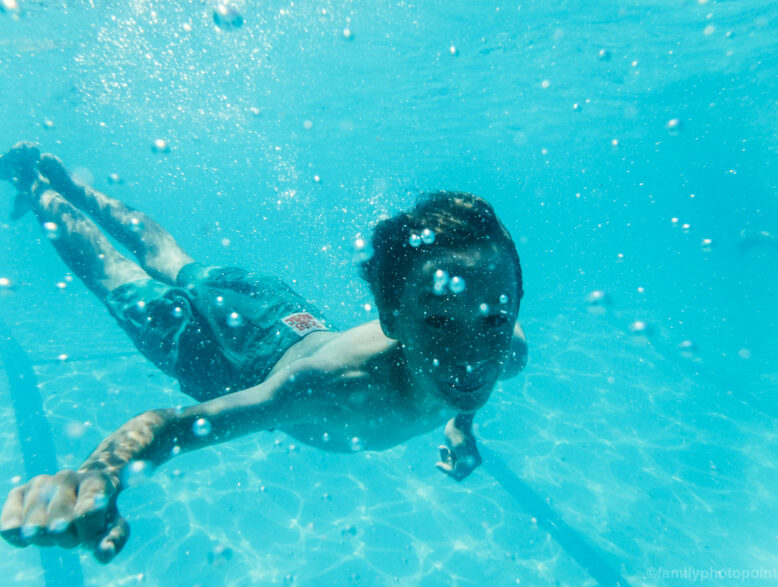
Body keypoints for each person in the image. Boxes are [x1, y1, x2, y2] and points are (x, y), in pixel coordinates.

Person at [0, 142, 528, 563]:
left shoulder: (507, 348)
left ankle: (74, 190)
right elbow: (174, 426)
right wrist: (99, 474)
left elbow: (475, 368)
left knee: (177, 262)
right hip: (230, 363)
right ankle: (39, 188)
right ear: (391, 319)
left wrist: (462, 425)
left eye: (495, 319)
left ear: (513, 308)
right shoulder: (332, 389)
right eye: (437, 321)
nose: (472, 354)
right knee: (122, 281)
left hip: (280, 310)